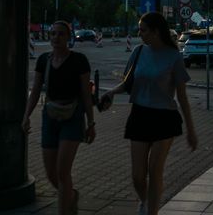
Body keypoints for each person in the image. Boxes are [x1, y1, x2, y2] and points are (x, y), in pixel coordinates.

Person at [99, 12, 198, 215]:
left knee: (154, 170)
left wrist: (191, 130)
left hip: (164, 118)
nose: (139, 33)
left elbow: (182, 96)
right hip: (140, 115)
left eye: (143, 30)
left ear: (155, 32)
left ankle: (152, 211)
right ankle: (144, 201)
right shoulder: (138, 51)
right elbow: (128, 83)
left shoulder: (174, 57)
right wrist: (111, 92)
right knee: (137, 175)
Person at [22, 21, 96, 215]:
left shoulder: (79, 60)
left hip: (73, 116)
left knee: (63, 171)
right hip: (50, 116)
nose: (56, 37)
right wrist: (26, 116)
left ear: (68, 37)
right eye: (53, 34)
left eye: (61, 34)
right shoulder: (43, 60)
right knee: (51, 174)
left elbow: (86, 95)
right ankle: (71, 195)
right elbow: (36, 91)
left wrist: (91, 122)